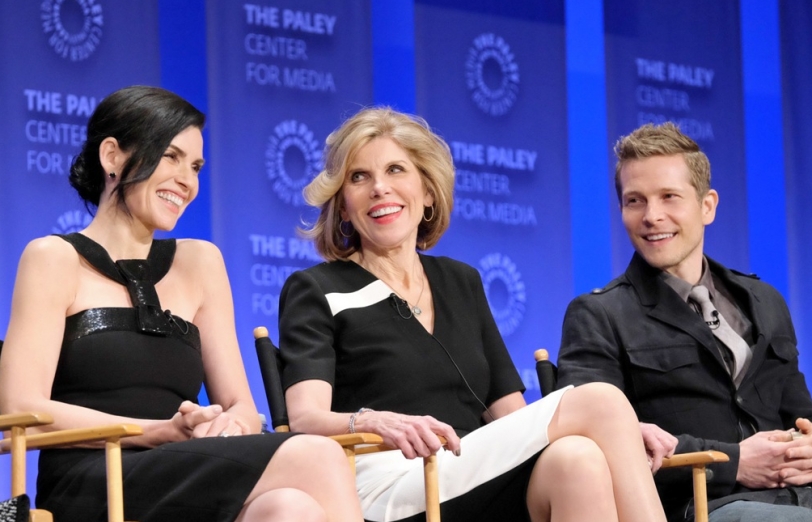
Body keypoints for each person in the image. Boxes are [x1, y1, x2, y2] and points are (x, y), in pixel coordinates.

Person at [277, 106, 667, 522]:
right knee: (602, 401)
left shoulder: (460, 281)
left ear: (427, 192)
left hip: (471, 472)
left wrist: (616, 434)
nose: (379, 189)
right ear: (343, 202)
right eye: (359, 177)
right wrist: (374, 421)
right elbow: (305, 419)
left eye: (395, 170)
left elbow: (513, 419)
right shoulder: (317, 289)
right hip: (385, 483)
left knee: (578, 457)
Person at [0, 86, 364, 522]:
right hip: (94, 478)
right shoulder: (53, 258)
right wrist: (156, 432)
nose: (187, 181)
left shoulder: (201, 262)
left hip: (186, 467)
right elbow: (20, 408)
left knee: (290, 507)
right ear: (112, 156)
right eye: (170, 156)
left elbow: (242, 407)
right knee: (318, 456)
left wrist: (227, 425)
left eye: (195, 166)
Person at [557, 122, 812, 522]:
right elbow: (598, 441)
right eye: (635, 201)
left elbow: (801, 413)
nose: (651, 216)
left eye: (669, 197)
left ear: (707, 205)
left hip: (797, 496)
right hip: (701, 508)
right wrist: (735, 461)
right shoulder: (598, 315)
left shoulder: (765, 301)